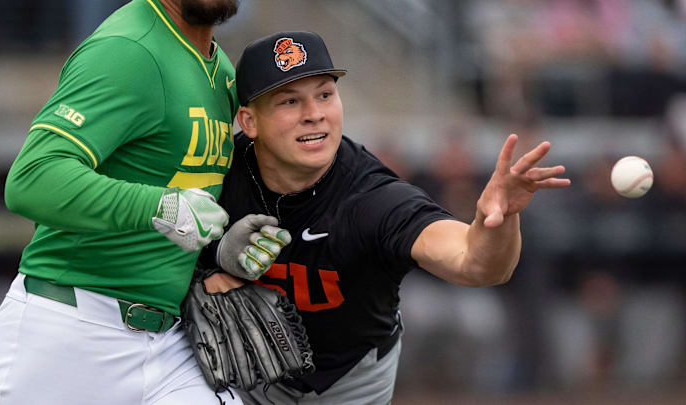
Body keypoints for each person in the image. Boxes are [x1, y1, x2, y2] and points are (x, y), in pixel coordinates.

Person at [200, 31, 571, 404]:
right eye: (290, 101)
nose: (314, 115)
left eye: (325, 95)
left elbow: (475, 264)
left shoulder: (370, 197)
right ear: (249, 121)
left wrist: (500, 220)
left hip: (351, 375)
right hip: (242, 369)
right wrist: (208, 266)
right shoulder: (216, 175)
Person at [0, 1, 256, 404]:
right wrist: (161, 207)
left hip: (171, 343)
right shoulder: (129, 49)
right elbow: (32, 178)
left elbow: (178, 191)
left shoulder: (221, 70)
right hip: (69, 331)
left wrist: (221, 244)